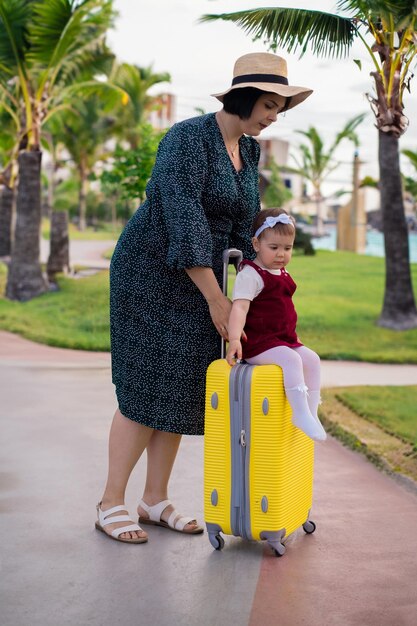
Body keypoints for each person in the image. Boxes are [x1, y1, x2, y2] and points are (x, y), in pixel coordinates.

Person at [96, 53, 313, 543]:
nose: (275, 115)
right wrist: (217, 300)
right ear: (245, 97)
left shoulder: (250, 151)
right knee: (144, 386)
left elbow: (246, 225)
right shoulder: (187, 139)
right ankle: (110, 501)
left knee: (179, 387)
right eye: (270, 105)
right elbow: (185, 221)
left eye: (280, 107)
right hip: (150, 272)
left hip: (206, 279)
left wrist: (245, 297)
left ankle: (154, 500)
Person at [226, 207, 327, 442]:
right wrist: (233, 340)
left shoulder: (281, 272)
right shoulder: (251, 274)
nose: (281, 254)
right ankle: (299, 414)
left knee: (312, 359)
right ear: (256, 244)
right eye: (274, 248)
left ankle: (311, 412)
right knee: (292, 360)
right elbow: (239, 307)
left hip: (283, 339)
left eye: (287, 248)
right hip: (259, 343)